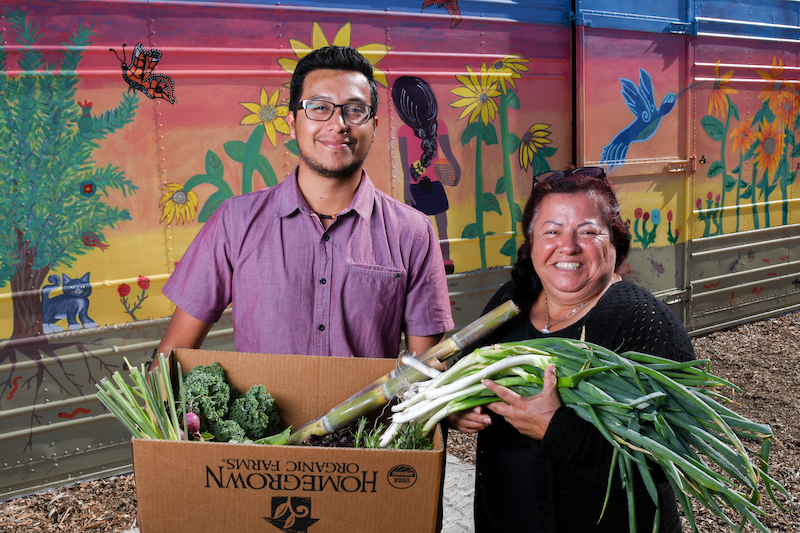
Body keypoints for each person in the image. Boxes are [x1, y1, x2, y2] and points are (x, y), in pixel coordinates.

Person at [152, 46, 454, 366]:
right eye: (319, 107)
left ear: (374, 126)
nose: (338, 124)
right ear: (292, 120)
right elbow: (170, 359)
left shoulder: (413, 232)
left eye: (355, 110)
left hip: (373, 419)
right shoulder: (235, 221)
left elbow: (428, 374)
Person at [447, 167, 694, 532]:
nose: (568, 246)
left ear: (614, 241)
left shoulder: (644, 322)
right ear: (532, 242)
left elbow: (671, 457)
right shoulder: (511, 302)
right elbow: (464, 370)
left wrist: (556, 429)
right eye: (552, 231)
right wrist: (457, 408)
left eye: (588, 232)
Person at [392, 76, 461, 274]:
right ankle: (444, 261)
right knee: (441, 228)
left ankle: (437, 261)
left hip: (418, 187)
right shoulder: (439, 126)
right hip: (433, 186)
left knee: (420, 231)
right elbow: (448, 155)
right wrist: (455, 170)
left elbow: (407, 166)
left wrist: (407, 190)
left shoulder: (404, 131)